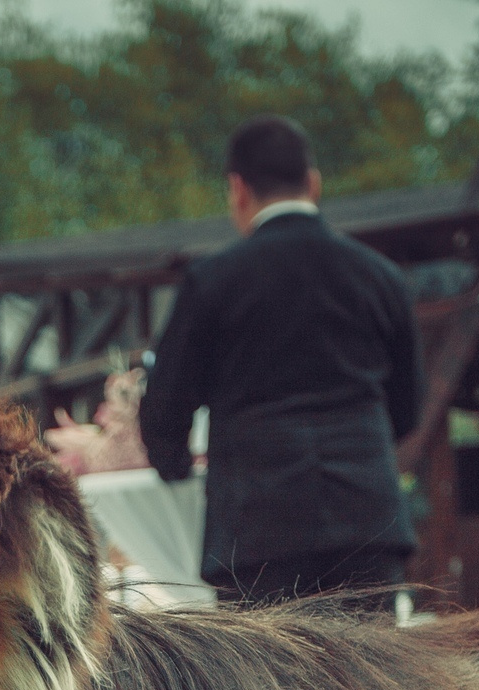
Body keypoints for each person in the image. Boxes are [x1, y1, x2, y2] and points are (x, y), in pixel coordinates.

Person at [139, 115, 423, 605]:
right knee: (368, 658)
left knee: (267, 659)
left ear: (238, 189)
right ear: (313, 183)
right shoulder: (380, 276)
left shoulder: (213, 281)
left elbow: (166, 406)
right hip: (366, 524)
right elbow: (407, 407)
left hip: (258, 526)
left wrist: (177, 467)